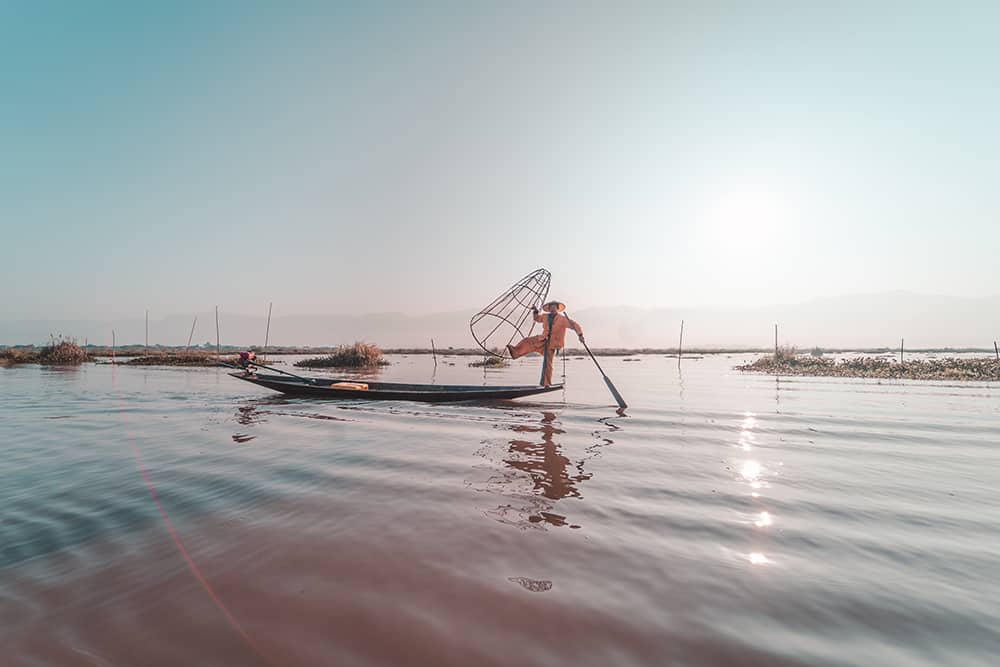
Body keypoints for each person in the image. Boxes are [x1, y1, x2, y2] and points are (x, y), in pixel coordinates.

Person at [507, 301, 584, 386]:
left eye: (554, 307)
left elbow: (574, 325)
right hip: (543, 339)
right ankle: (516, 352)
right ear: (549, 309)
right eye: (551, 307)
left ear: (557, 308)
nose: (553, 309)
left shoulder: (562, 319)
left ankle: (546, 383)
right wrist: (535, 311)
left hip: (553, 343)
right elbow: (537, 318)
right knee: (527, 341)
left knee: (547, 364)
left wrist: (580, 335)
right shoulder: (545, 316)